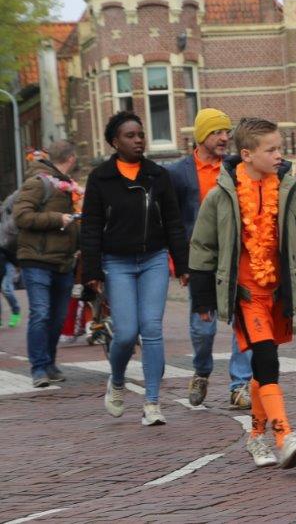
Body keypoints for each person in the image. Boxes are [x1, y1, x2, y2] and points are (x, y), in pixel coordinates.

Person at [189, 117, 296, 469]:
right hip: (246, 293)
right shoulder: (221, 195)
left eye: (280, 148)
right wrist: (204, 299)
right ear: (247, 155)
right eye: (271, 150)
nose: (279, 156)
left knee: (263, 365)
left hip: (279, 291)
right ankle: (285, 435)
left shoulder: (290, 190)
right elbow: (202, 247)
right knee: (266, 357)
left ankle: (256, 437)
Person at [81, 113, 189, 425]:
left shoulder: (158, 175)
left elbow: (173, 222)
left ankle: (152, 402)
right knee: (126, 333)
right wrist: (92, 271)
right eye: (130, 135)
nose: (138, 140)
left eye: (140, 134)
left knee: (152, 330)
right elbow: (90, 228)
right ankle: (116, 380)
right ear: (115, 142)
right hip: (117, 262)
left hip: (154, 259)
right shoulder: (101, 178)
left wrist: (182, 264)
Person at [166, 108, 253, 410]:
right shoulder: (178, 173)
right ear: (202, 136)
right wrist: (178, 262)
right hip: (200, 261)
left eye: (227, 132)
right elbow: (172, 221)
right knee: (203, 328)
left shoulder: (236, 167)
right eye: (217, 132)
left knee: (244, 319)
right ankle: (202, 370)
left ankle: (239, 384)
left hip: (238, 256)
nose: (224, 138)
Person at [13, 142, 81, 387]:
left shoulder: (68, 187)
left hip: (63, 261)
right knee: (41, 313)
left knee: (58, 316)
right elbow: (21, 216)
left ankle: (49, 363)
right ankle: (38, 368)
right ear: (71, 158)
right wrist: (58, 219)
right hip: (36, 259)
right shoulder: (38, 183)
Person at [1, 247, 21, 328]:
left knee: (6, 289)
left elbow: (10, 254)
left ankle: (16, 312)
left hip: (7, 266)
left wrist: (18, 265)